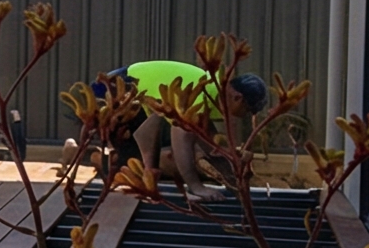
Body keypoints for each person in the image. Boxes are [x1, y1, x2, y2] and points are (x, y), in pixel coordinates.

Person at [79, 60, 271, 196]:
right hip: (110, 90)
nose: (247, 116)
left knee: (148, 165)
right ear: (237, 98)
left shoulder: (214, 93)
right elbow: (182, 138)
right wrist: (196, 186)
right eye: (248, 110)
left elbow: (211, 144)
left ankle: (86, 154)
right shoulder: (201, 95)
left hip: (139, 99)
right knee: (130, 163)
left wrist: (235, 178)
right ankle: (79, 154)